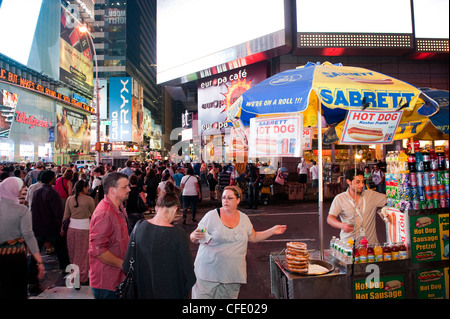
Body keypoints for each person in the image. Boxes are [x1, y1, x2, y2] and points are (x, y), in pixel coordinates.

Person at [190, 186, 286, 299]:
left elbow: (253, 237)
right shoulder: (211, 216)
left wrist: (272, 231)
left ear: (238, 200)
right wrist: (195, 236)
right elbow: (194, 237)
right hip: (208, 273)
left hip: (232, 274)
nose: (225, 201)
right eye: (223, 197)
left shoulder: (244, 218)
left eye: (230, 198)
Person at [122, 189, 196, 298]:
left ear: (157, 208)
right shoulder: (178, 234)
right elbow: (188, 273)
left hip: (142, 292)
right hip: (170, 292)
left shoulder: (139, 227)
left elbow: (127, 265)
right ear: (175, 209)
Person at [0, 177, 45, 299]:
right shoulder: (21, 210)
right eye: (20, 189)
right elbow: (29, 236)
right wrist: (39, 262)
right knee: (17, 290)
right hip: (15, 258)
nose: (21, 191)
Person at [88, 172, 130, 299]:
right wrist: (124, 265)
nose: (129, 189)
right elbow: (98, 251)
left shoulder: (119, 207)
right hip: (107, 282)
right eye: (124, 187)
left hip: (117, 278)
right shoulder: (105, 213)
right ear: (112, 190)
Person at [29, 169, 70, 294]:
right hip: (52, 228)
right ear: (50, 179)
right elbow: (57, 213)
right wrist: (61, 227)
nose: (55, 178)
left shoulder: (37, 192)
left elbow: (33, 210)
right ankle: (65, 270)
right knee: (61, 249)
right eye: (54, 177)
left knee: (35, 255)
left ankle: (32, 280)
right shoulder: (52, 193)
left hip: (38, 228)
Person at [326, 169, 387, 245]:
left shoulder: (371, 195)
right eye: (357, 182)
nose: (362, 185)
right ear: (348, 182)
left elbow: (389, 200)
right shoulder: (340, 198)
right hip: (349, 245)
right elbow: (330, 218)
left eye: (363, 182)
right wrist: (342, 225)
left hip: (370, 245)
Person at [62, 180, 95, 287]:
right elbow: (94, 215)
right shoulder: (89, 200)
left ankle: (74, 275)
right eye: (87, 187)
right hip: (85, 228)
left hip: (71, 229)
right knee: (83, 253)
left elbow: (66, 216)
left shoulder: (69, 199)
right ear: (84, 188)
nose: (88, 189)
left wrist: (62, 228)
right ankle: (82, 276)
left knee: (73, 253)